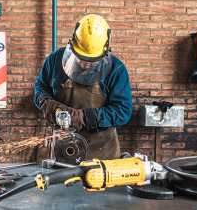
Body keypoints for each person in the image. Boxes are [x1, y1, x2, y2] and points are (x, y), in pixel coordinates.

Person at [34, 14, 132, 160]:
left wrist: (84, 118)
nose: (86, 64)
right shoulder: (55, 61)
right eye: (81, 58)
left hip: (101, 152)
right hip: (62, 149)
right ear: (73, 44)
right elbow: (40, 87)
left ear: (105, 51)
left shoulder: (116, 70)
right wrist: (45, 102)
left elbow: (122, 111)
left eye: (92, 61)